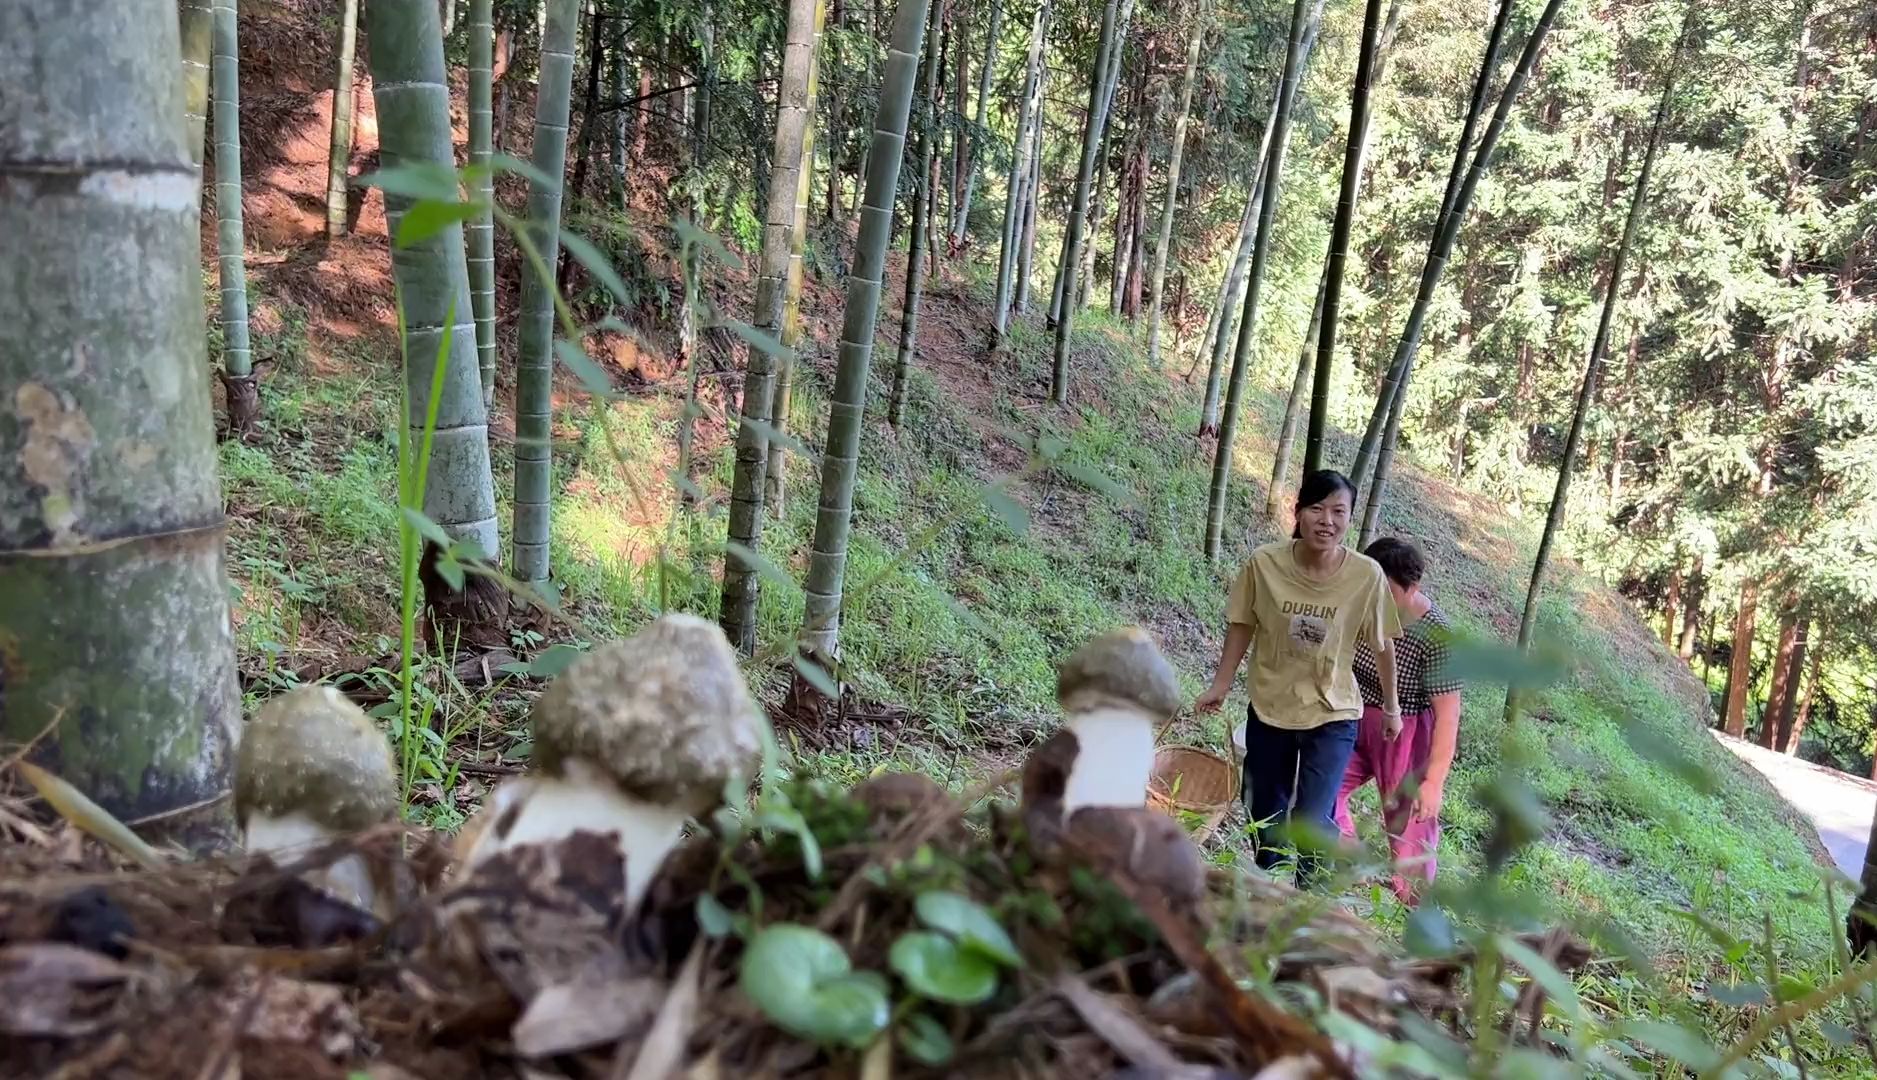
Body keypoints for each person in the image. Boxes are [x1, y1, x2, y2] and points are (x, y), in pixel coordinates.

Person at [1195, 470, 1401, 881]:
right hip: (1271, 706)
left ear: (1351, 518)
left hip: (1333, 711)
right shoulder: (1265, 564)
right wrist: (1221, 683)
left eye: (1338, 511)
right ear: (1298, 511)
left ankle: (1309, 899)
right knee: (1263, 809)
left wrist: (1392, 707)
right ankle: (1270, 888)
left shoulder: (1366, 575)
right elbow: (1242, 624)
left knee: (1312, 816)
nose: (1327, 520)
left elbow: (1382, 644)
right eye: (1317, 508)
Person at [1333, 537, 1463, 904]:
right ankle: (1347, 867)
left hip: (1405, 732)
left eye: (1388, 591)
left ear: (1413, 588)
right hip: (1350, 715)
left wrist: (1434, 781)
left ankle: (1413, 908)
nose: (1378, 599)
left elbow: (1448, 715)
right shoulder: (1360, 608)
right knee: (1320, 785)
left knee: (1407, 822)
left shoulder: (1436, 636)